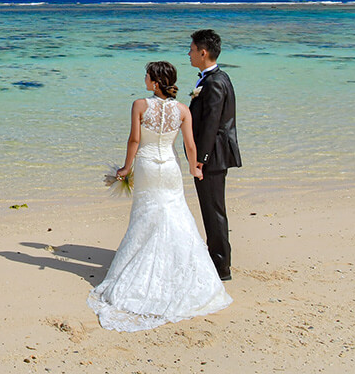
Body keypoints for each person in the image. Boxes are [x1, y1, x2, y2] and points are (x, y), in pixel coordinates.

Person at [88, 61, 232, 332]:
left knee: (146, 215)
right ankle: (182, 271)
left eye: (147, 76)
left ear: (155, 82)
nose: (144, 79)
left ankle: (140, 270)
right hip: (169, 167)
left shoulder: (140, 105)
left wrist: (125, 168)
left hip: (146, 165)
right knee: (175, 213)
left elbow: (134, 140)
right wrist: (194, 169)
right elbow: (190, 145)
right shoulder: (182, 110)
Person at [187, 28, 242, 281]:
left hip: (213, 156)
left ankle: (221, 266)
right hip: (214, 154)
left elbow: (211, 123)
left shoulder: (215, 82)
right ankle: (218, 260)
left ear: (203, 52)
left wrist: (201, 158)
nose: (189, 54)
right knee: (212, 209)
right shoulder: (215, 78)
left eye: (191, 49)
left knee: (213, 210)